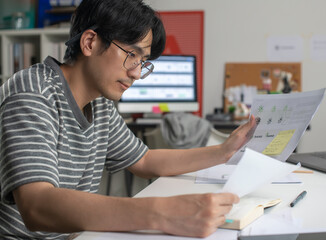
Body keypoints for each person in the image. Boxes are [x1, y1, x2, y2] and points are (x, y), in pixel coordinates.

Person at [0, 0, 257, 239]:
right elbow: (36, 207)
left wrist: (224, 152)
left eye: (143, 61)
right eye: (131, 54)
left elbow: (143, 160)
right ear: (89, 42)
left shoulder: (99, 103)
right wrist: (161, 212)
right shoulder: (33, 93)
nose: (136, 72)